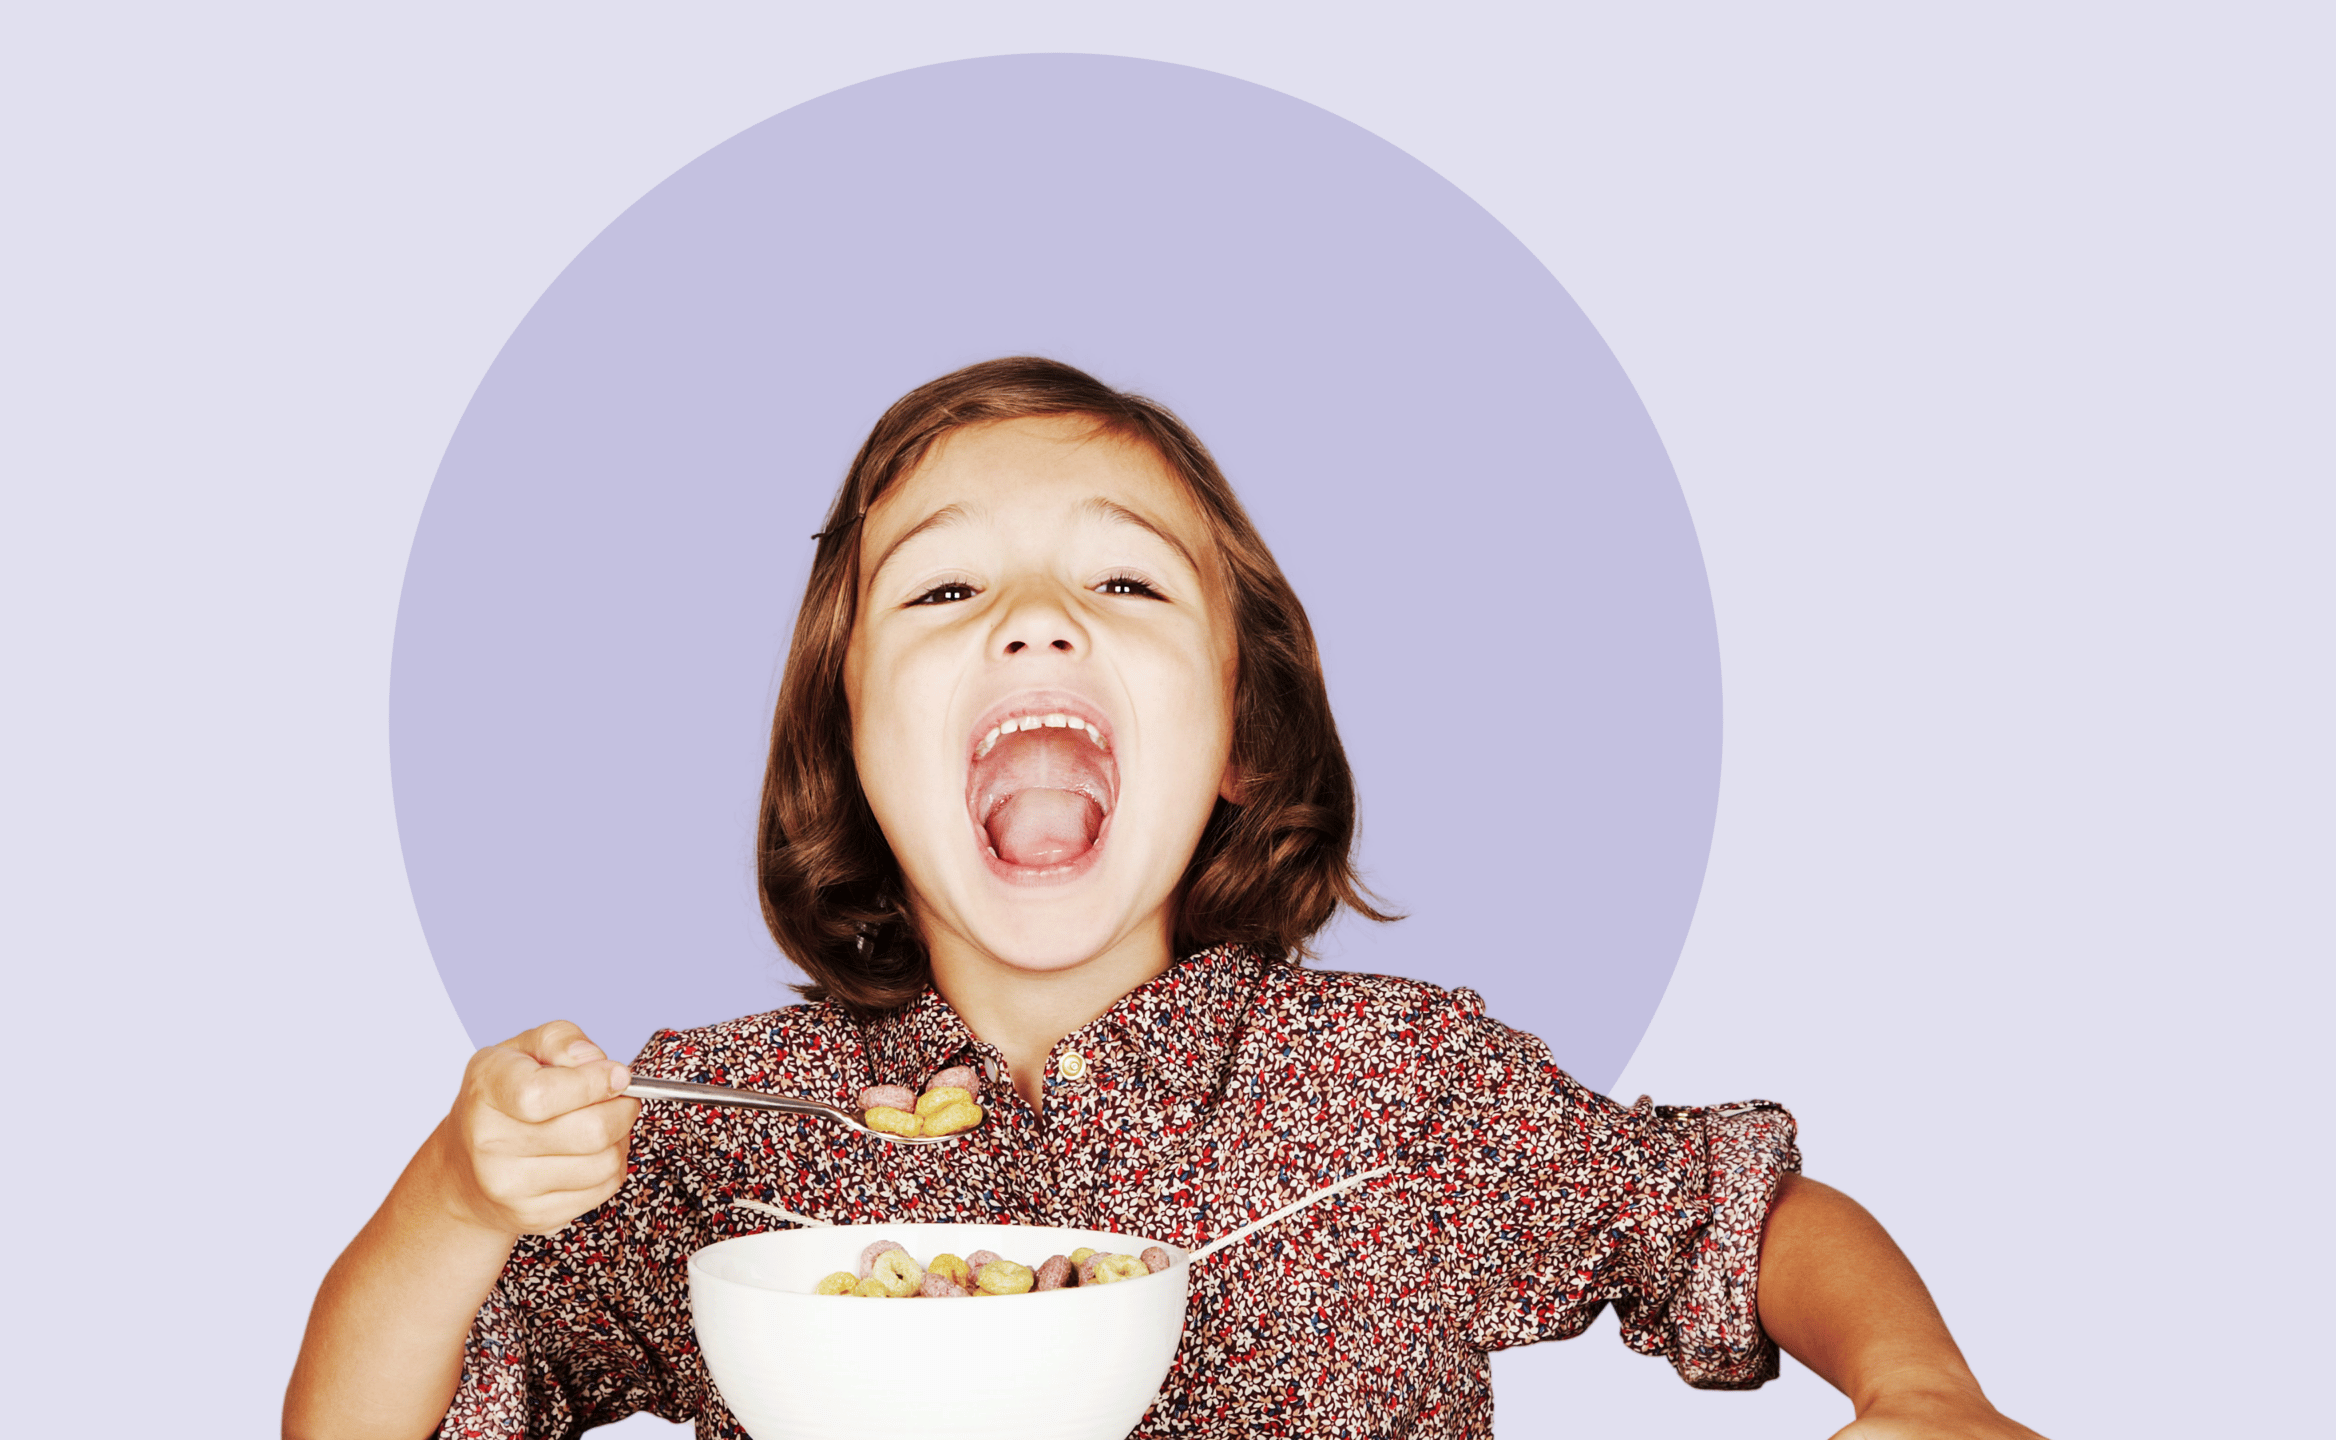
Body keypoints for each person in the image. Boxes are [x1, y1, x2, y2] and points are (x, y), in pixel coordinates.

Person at [284, 358, 2045, 1439]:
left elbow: (1737, 1216)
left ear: (1237, 747)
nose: (1035, 619)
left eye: (1123, 580)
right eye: (946, 586)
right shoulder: (713, 1140)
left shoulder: (1402, 1094)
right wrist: (452, 1200)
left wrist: (1922, 1386)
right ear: (846, 744)